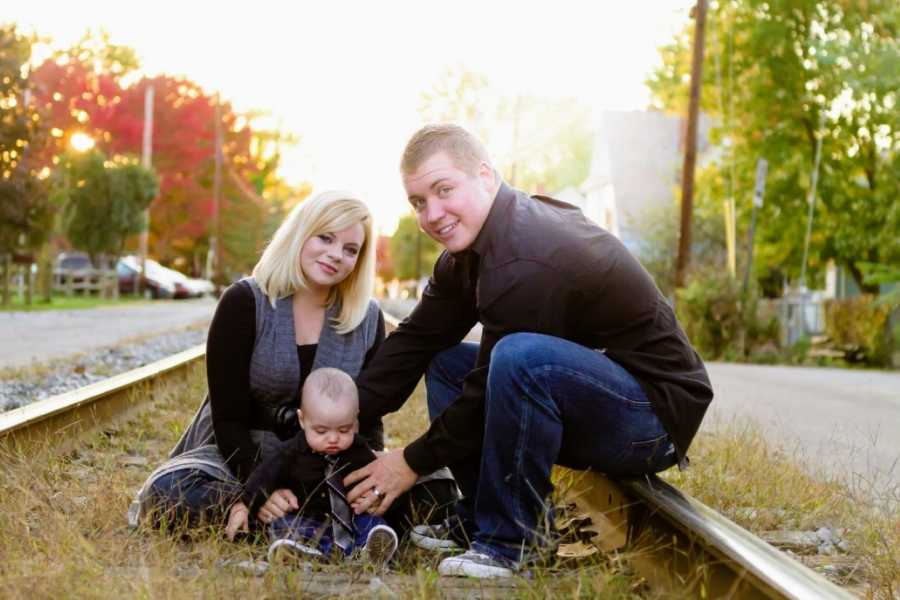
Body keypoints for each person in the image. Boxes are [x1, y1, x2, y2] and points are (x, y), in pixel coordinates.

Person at [343, 124, 714, 578]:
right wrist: (343, 416)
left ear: (484, 176)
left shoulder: (526, 255)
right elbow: (416, 340)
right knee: (446, 359)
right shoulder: (470, 252)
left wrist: (410, 462)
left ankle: (513, 542)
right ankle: (484, 513)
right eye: (418, 202)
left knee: (520, 359)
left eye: (444, 190)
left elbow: (486, 393)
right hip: (600, 394)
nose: (432, 214)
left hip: (653, 416)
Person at [131, 190, 385, 529]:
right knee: (169, 494)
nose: (336, 255)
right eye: (325, 238)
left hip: (327, 464)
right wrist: (263, 488)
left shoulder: (366, 318)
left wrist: (366, 484)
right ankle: (278, 516)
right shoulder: (244, 301)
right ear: (300, 233)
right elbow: (228, 419)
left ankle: (286, 521)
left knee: (426, 491)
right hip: (237, 459)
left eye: (350, 249)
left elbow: (368, 420)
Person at [225, 368, 398, 565]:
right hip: (308, 519)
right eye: (321, 431)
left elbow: (377, 479)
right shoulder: (290, 453)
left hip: (350, 520)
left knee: (372, 524)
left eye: (344, 429)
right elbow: (263, 477)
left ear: (355, 420)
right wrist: (246, 505)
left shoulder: (359, 450)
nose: (333, 439)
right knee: (285, 524)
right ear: (302, 420)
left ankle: (369, 549)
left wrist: (375, 498)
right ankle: (302, 550)